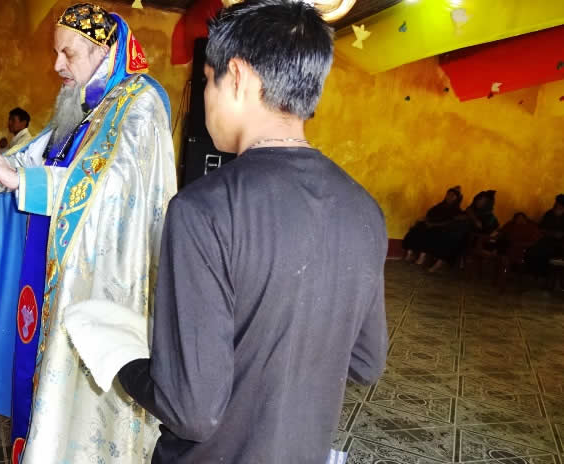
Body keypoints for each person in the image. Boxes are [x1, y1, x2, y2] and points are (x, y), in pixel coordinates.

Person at [66, 2, 388, 462]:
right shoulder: (364, 209)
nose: (204, 98)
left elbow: (191, 412)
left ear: (235, 76)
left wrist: (121, 359)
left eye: (205, 81)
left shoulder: (204, 211)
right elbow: (366, 362)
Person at [0, 3, 176, 462]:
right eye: (55, 52)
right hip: (44, 273)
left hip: (92, 285)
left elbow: (114, 190)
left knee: (76, 414)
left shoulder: (139, 102)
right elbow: (29, 161)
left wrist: (21, 180)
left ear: (103, 51)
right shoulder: (81, 104)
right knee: (36, 386)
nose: (57, 64)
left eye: (69, 53)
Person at [403, 186, 464, 263]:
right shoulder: (439, 206)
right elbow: (429, 214)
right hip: (430, 225)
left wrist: (434, 224)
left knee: (430, 234)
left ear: (457, 198)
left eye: (452, 195)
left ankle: (422, 256)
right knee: (416, 228)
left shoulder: (457, 211)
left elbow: (450, 222)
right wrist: (426, 220)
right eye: (448, 194)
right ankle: (410, 253)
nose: (449, 197)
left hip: (442, 229)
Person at [525, 194, 564, 277]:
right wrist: (551, 233)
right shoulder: (549, 214)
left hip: (561, 242)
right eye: (557, 203)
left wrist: (560, 234)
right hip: (547, 239)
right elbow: (541, 228)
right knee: (534, 250)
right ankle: (537, 273)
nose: (558, 206)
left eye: (560, 204)